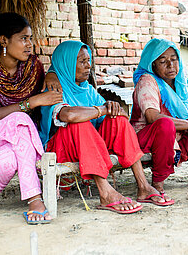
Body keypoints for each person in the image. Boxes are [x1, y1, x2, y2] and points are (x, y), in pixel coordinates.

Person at [40, 40, 173, 214]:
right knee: (80, 124)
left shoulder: (87, 90)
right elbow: (69, 115)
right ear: (67, 63)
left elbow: (120, 116)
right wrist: (101, 109)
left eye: (89, 61)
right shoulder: (52, 89)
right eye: (82, 62)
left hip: (87, 145)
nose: (88, 66)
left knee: (118, 121)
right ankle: (106, 192)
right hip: (60, 149)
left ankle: (143, 186)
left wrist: (113, 109)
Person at [0, 13, 63, 224]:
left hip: (22, 143)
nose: (29, 44)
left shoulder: (32, 67)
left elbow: (53, 79)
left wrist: (51, 73)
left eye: (30, 38)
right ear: (4, 41)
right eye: (23, 38)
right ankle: (34, 198)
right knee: (20, 119)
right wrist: (32, 102)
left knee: (7, 161)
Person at [131, 38, 188, 198]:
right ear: (153, 64)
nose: (170, 65)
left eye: (174, 59)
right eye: (163, 61)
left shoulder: (185, 84)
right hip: (147, 137)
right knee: (165, 124)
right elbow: (153, 117)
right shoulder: (148, 81)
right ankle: (157, 183)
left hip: (175, 134)